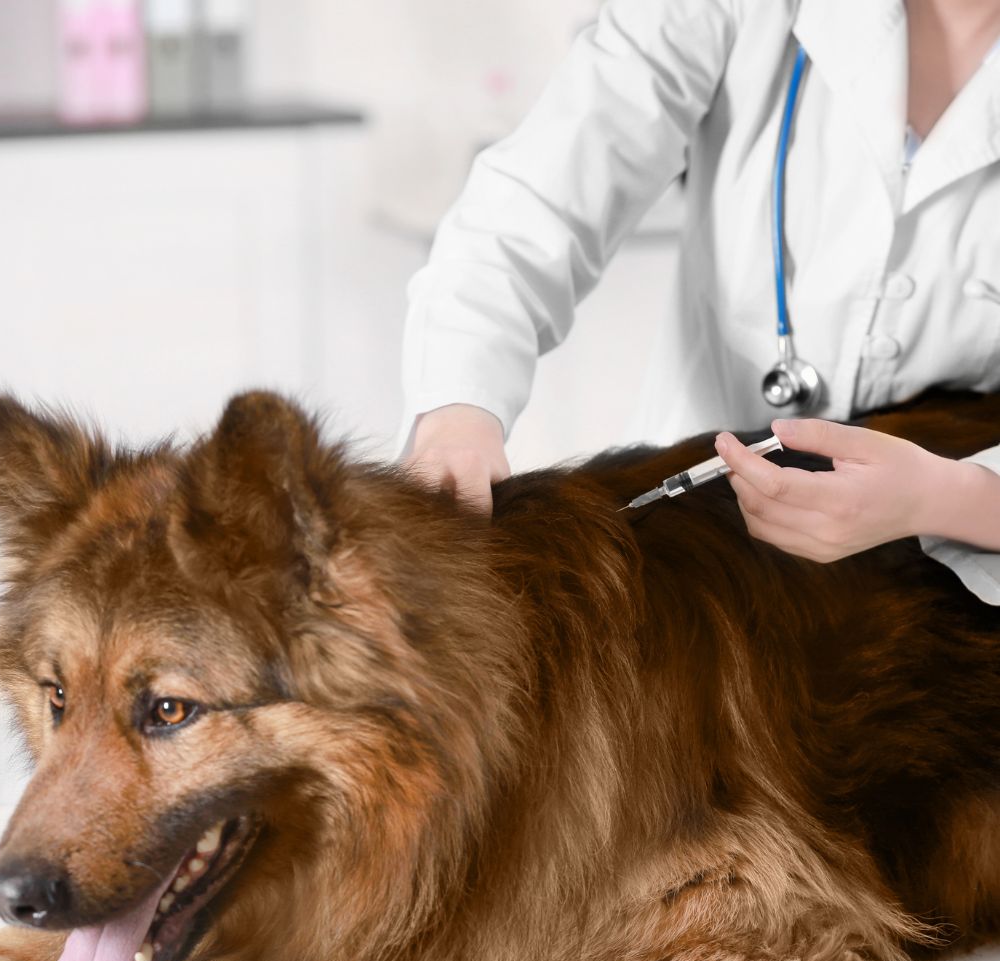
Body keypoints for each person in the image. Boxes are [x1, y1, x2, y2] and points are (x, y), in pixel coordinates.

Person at [399, 0, 1000, 603]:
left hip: (952, 610)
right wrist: (458, 406)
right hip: (689, 568)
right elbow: (543, 192)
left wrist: (951, 498)